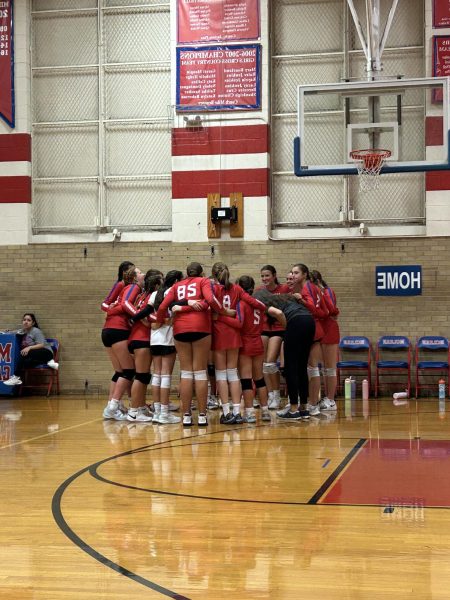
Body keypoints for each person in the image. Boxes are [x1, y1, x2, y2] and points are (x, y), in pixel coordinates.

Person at [155, 261, 226, 427]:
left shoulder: (177, 285)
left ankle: (186, 416)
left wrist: (161, 321)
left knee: (186, 373)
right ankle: (202, 416)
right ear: (201, 273)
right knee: (200, 372)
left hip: (180, 329)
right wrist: (219, 310)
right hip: (201, 327)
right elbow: (210, 299)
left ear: (187, 274)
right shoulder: (203, 282)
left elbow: (163, 306)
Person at [210, 262, 266, 425]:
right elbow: (253, 302)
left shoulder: (212, 288)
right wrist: (263, 306)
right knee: (233, 373)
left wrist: (219, 314)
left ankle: (226, 412)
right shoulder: (237, 289)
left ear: (214, 275)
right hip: (234, 335)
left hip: (220, 333)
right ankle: (237, 411)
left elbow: (209, 306)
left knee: (221, 374)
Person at [253, 291, 315, 420]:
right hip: (309, 321)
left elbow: (279, 314)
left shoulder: (265, 303)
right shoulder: (285, 300)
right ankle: (304, 407)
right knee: (302, 366)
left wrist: (288, 328)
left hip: (295, 322)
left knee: (291, 367)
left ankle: (293, 409)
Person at [102, 266, 145, 420]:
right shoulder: (133, 287)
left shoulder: (129, 288)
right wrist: (140, 316)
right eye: (140, 272)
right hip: (118, 330)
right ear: (134, 277)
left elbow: (116, 305)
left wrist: (113, 309)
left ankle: (114, 406)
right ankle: (112, 407)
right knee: (129, 371)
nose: (143, 274)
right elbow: (126, 304)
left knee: (120, 372)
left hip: (108, 330)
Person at [287, 263, 329, 417]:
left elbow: (316, 309)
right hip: (314, 327)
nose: (294, 275)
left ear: (305, 274)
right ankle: (311, 404)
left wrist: (301, 301)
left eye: (296, 273)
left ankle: (311, 404)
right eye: (292, 273)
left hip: (310, 328)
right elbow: (326, 311)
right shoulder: (315, 288)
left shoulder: (306, 288)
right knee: (312, 368)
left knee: (310, 368)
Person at [149, 270, 183, 425]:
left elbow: (149, 314)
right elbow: (172, 314)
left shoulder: (155, 293)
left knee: (157, 375)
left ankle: (157, 412)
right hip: (167, 338)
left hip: (154, 338)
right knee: (166, 375)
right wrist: (169, 320)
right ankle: (164, 413)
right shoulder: (173, 292)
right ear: (176, 280)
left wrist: (157, 322)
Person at [236, 276, 270, 423]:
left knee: (246, 380)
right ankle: (265, 411)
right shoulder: (259, 303)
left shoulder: (242, 304)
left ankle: (249, 413)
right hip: (258, 340)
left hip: (246, 342)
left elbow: (240, 323)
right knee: (259, 378)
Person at [257, 265, 289, 410]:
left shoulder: (284, 289)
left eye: (267, 275)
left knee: (270, 363)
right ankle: (270, 394)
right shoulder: (259, 291)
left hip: (278, 329)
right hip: (263, 329)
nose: (264, 279)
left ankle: (277, 395)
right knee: (264, 365)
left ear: (274, 276)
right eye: (262, 276)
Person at [310, 270, 339, 412]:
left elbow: (332, 311)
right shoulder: (312, 293)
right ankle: (319, 398)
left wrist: (322, 294)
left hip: (329, 329)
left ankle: (331, 400)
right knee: (317, 366)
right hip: (318, 329)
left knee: (330, 367)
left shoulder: (327, 291)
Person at [3, 313, 58, 386]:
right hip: (36, 356)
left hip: (46, 352)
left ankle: (16, 377)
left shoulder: (36, 331)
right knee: (25, 363)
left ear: (33, 323)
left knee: (24, 352)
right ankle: (50, 362)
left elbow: (41, 345)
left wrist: (28, 348)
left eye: (28, 320)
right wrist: (7, 331)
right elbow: (12, 332)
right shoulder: (23, 331)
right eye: (24, 320)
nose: (26, 321)